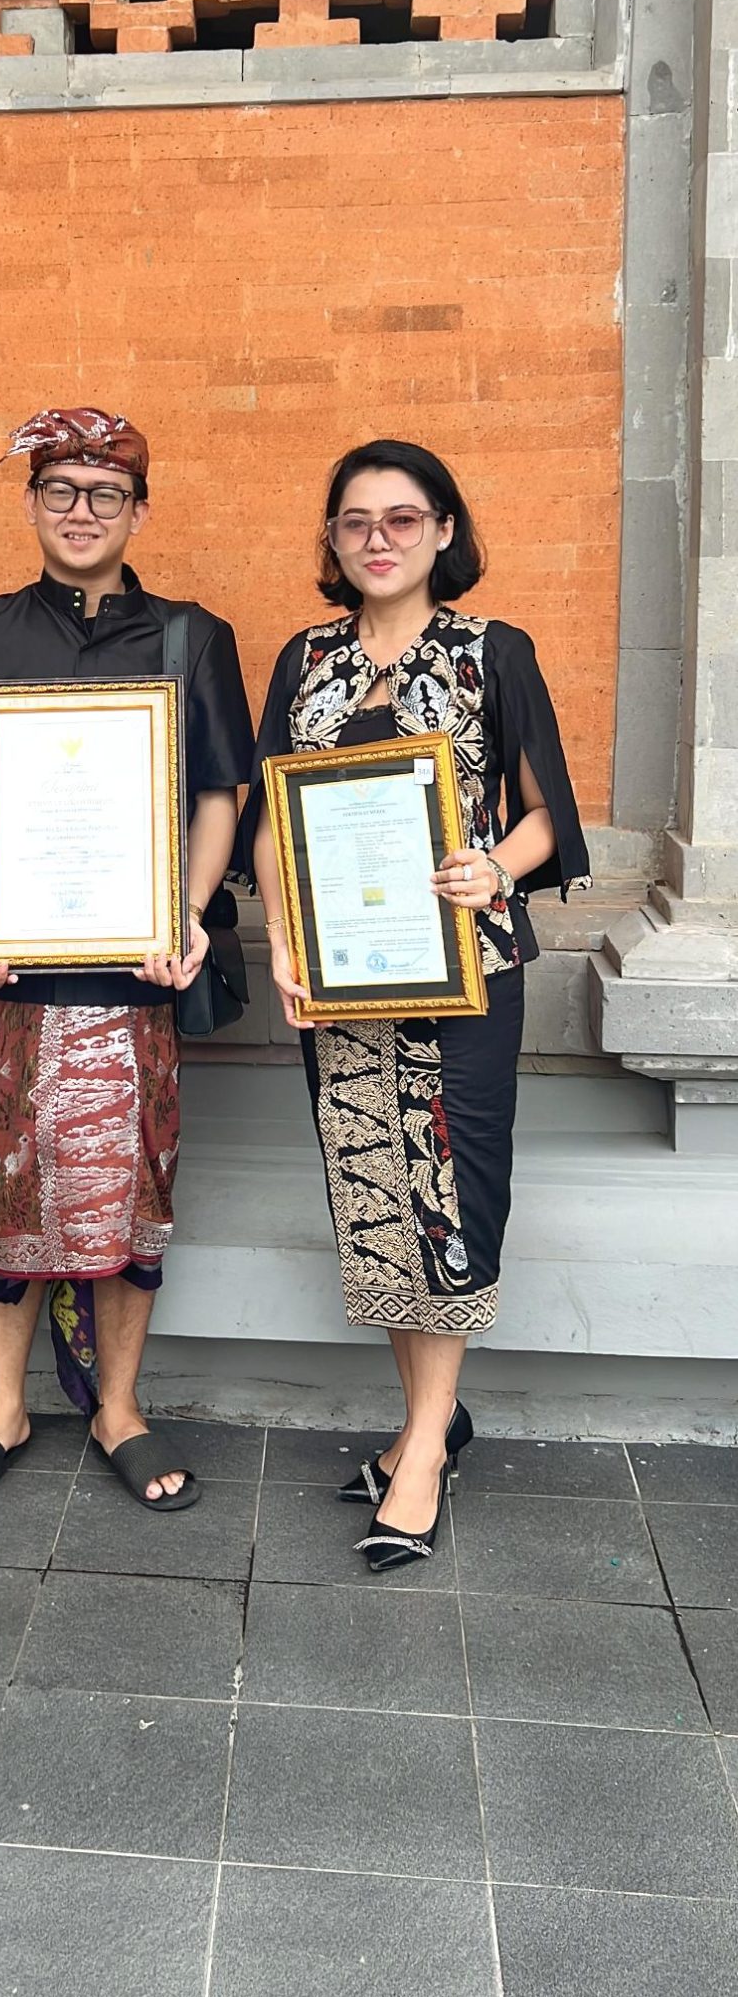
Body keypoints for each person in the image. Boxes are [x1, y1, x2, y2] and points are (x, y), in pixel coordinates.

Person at [243, 439, 589, 1572]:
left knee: (447, 1198)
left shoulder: (494, 652)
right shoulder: (306, 659)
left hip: (465, 978)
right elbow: (270, 817)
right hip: (342, 980)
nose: (377, 538)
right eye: (355, 521)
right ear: (333, 540)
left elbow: (546, 811)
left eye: (401, 518)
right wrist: (282, 939)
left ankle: (425, 1450)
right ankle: (428, 1423)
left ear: (443, 530)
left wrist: (495, 866)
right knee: (378, 1205)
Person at [0, 405, 253, 1512]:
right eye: (59, 490)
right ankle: (1, 1405)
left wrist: (186, 916)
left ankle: (117, 1405)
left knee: (132, 1185)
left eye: (105, 493)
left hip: (136, 971)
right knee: (3, 1181)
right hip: (12, 973)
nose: (80, 510)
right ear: (31, 504)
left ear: (138, 511)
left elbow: (219, 795)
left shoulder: (192, 636)